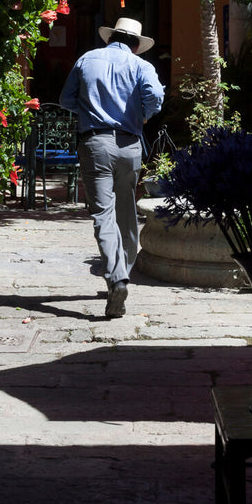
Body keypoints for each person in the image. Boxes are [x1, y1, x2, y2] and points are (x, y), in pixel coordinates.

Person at [59, 17, 165, 319]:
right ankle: (123, 273)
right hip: (130, 145)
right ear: (136, 45)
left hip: (95, 144)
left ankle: (116, 278)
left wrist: (92, 107)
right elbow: (155, 98)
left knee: (103, 214)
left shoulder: (87, 59)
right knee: (126, 212)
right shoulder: (141, 66)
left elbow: (65, 99)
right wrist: (142, 114)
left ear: (111, 38)